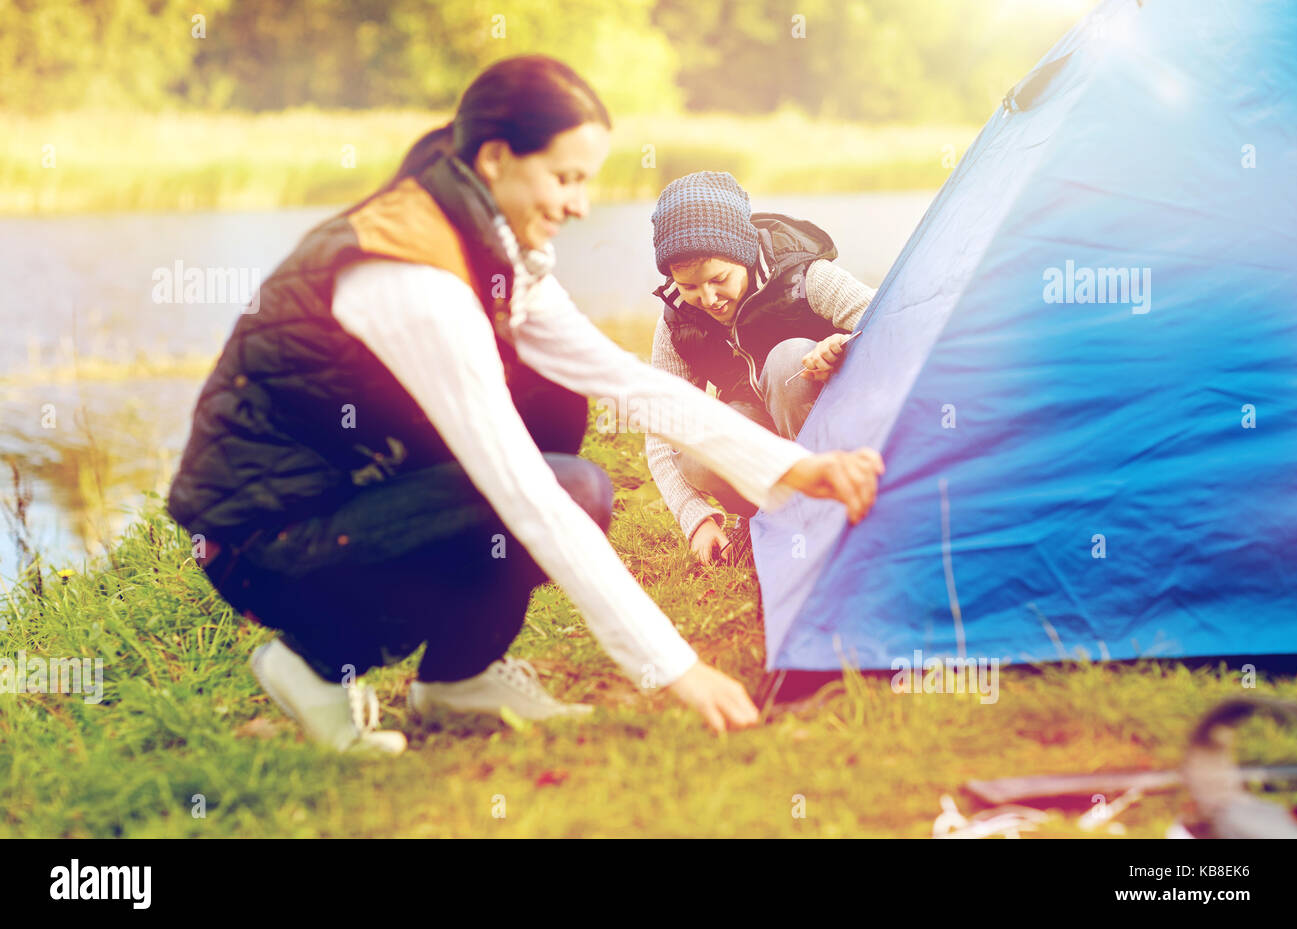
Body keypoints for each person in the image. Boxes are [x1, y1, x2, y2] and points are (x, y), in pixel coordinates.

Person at [166, 55, 885, 755]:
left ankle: (458, 679)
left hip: (353, 494)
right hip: (264, 544)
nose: (580, 203)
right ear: (497, 160)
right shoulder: (413, 275)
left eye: (587, 180)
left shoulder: (489, 246)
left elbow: (629, 382)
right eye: (566, 177)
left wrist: (796, 470)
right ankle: (315, 660)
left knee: (558, 400)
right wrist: (677, 669)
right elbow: (522, 492)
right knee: (568, 490)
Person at [645, 171, 879, 566]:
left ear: (744, 253)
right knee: (697, 448)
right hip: (764, 448)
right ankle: (771, 519)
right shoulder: (676, 322)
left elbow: (895, 328)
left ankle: (839, 505)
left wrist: (843, 348)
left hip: (837, 433)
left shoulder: (807, 278)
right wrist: (696, 519)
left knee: (788, 360)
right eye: (689, 287)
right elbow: (661, 431)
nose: (709, 299)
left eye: (719, 279)